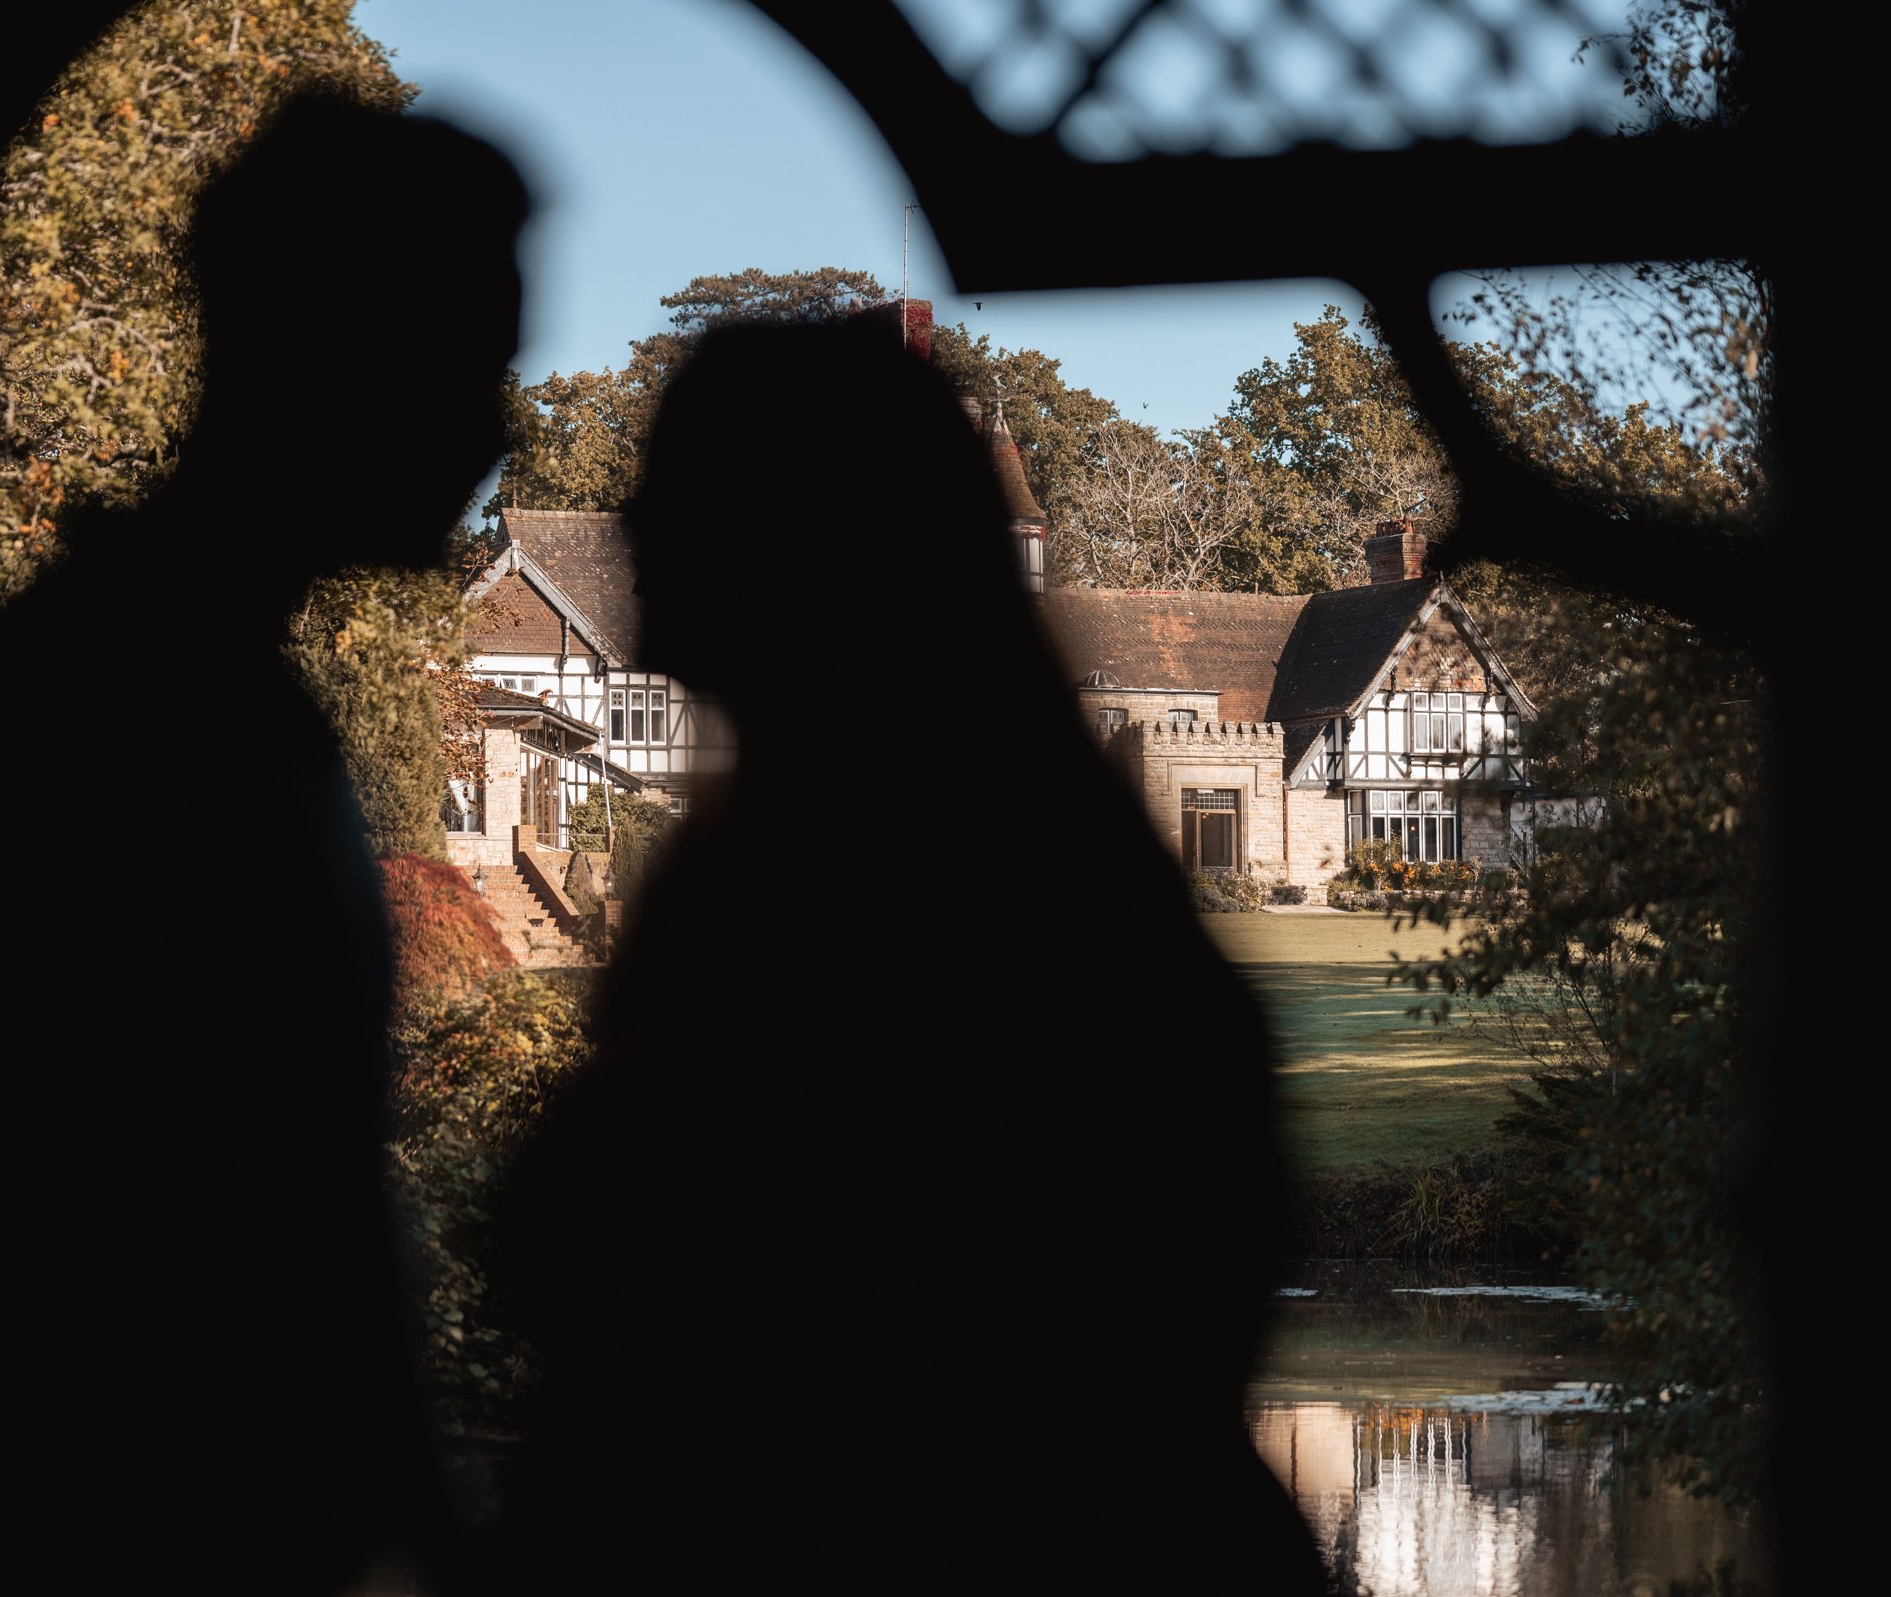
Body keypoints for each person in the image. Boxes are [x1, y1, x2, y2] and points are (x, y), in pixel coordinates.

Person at [494, 319, 1322, 1589]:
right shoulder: (1012, 886)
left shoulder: (927, 924)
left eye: (679, 508)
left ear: (813, 556)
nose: (641, 551)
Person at [0, 96, 528, 1596]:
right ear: (343, 360)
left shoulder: (159, 689)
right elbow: (213, 1218)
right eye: (471, 363)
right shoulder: (115, 714)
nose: (496, 429)